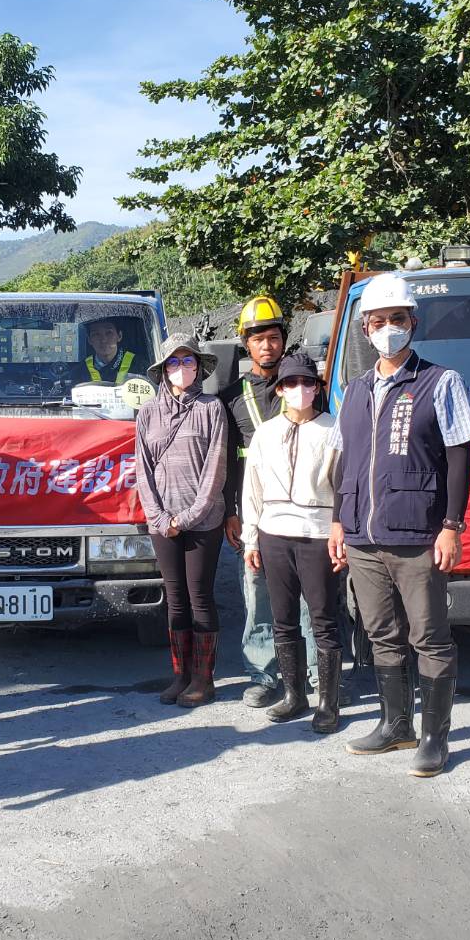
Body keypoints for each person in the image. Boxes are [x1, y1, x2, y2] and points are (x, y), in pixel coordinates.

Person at [329, 274, 470, 777]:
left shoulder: (442, 381)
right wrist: (336, 523)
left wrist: (452, 525)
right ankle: (396, 724)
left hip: (418, 535)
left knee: (430, 636)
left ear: (413, 323)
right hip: (364, 538)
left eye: (397, 319)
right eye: (378, 321)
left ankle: (435, 737)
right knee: (380, 635)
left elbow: (460, 458)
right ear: (365, 330)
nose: (388, 328)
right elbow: (344, 464)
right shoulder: (354, 391)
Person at [219, 296, 323, 708]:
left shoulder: (303, 388)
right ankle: (263, 675)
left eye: (274, 337)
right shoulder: (230, 398)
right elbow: (225, 458)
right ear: (246, 343)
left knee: (308, 601)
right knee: (258, 597)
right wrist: (230, 510)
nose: (267, 346)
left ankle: (315, 676)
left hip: (304, 515)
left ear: (284, 340)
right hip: (255, 515)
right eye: (258, 338)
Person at [241, 353, 345, 733]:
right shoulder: (267, 433)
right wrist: (252, 539)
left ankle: (329, 704)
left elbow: (346, 489)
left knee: (323, 620)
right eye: (290, 383)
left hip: (317, 533)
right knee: (282, 619)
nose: (299, 390)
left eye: (306, 382)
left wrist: (342, 531)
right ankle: (294, 694)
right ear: (280, 390)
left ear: (317, 387)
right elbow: (250, 490)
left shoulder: (334, 429)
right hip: (273, 533)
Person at [135, 333, 228, 708]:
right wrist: (159, 517)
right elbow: (141, 468)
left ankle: (204, 680)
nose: (181, 369)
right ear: (163, 370)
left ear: (200, 367)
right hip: (162, 521)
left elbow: (215, 468)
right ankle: (181, 675)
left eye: (188, 361)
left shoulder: (211, 408)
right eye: (174, 362)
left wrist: (189, 516)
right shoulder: (147, 413)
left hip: (203, 520)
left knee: (200, 596)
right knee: (175, 599)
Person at [78, 318, 137, 383]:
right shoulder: (80, 371)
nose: (103, 340)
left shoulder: (139, 365)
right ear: (89, 340)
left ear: (119, 336)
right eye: (96, 334)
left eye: (109, 333)